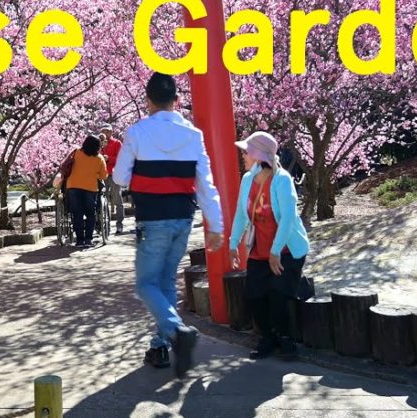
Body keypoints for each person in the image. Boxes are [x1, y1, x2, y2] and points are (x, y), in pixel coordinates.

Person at [113, 72, 224, 378]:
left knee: (146, 284)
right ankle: (160, 343)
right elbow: (206, 184)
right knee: (163, 282)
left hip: (152, 220)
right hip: (183, 219)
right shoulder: (194, 134)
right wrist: (216, 225)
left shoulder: (136, 132)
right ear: (177, 101)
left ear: (148, 101)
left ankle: (176, 331)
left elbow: (120, 178)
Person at [228, 131, 311, 360]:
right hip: (259, 250)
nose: (243, 156)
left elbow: (287, 218)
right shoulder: (248, 180)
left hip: (286, 250)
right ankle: (267, 337)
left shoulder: (281, 179)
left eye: (246, 152)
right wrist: (233, 243)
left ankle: (285, 338)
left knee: (278, 295)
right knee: (254, 295)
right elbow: (241, 214)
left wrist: (275, 251)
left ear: (257, 155)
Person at [64, 134, 108, 247]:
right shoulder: (99, 158)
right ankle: (88, 239)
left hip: (73, 186)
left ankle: (79, 240)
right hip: (90, 188)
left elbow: (65, 165)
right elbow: (103, 176)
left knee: (77, 214)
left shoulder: (76, 152)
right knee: (90, 214)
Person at [99, 124, 125, 234]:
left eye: (107, 131)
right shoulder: (99, 144)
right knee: (102, 200)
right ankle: (105, 225)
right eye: (103, 131)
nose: (105, 133)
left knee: (117, 199)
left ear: (111, 132)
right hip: (102, 174)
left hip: (114, 174)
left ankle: (119, 224)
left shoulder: (117, 143)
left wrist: (109, 158)